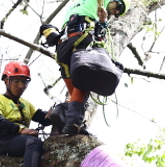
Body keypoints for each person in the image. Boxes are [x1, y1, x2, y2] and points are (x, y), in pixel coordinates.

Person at [39, 0, 126, 135]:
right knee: (83, 82)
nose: (114, 12)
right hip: (82, 41)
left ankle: (62, 110)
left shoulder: (79, 6)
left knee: (75, 91)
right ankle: (73, 123)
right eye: (118, 7)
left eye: (117, 13)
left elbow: (99, 29)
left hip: (63, 47)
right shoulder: (98, 2)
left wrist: (103, 21)